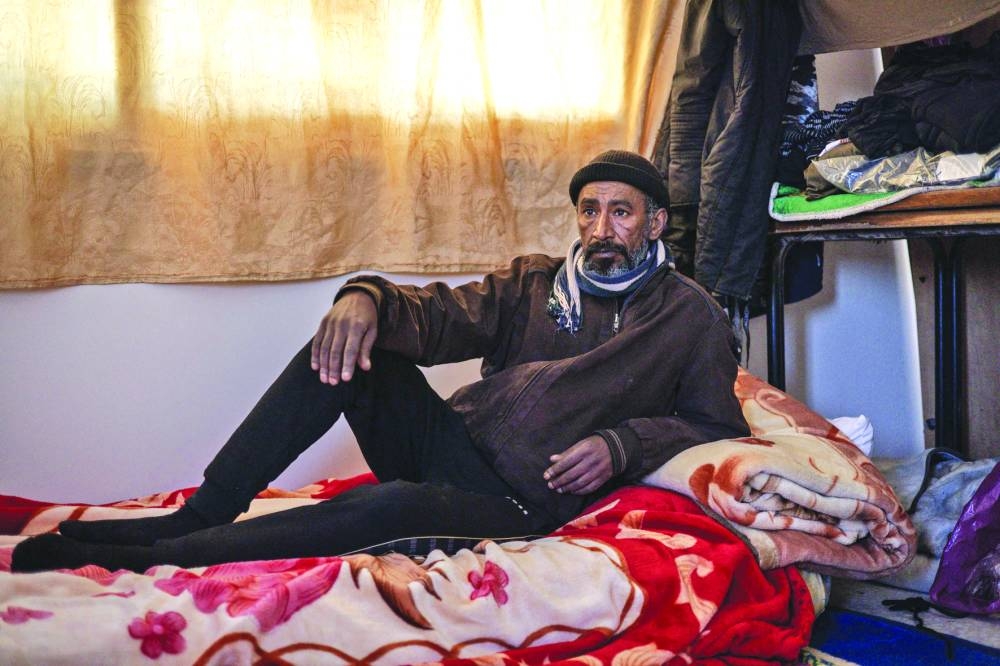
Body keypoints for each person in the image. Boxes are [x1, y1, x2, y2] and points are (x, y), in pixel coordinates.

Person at [12, 150, 749, 573]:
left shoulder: (689, 317)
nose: (601, 228)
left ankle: (156, 557)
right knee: (350, 351)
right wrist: (364, 296)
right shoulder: (534, 282)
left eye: (621, 211)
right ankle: (203, 511)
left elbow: (715, 425)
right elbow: (437, 316)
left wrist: (622, 444)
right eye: (589, 210)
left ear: (655, 222)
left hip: (527, 501)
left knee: (383, 506)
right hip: (456, 449)